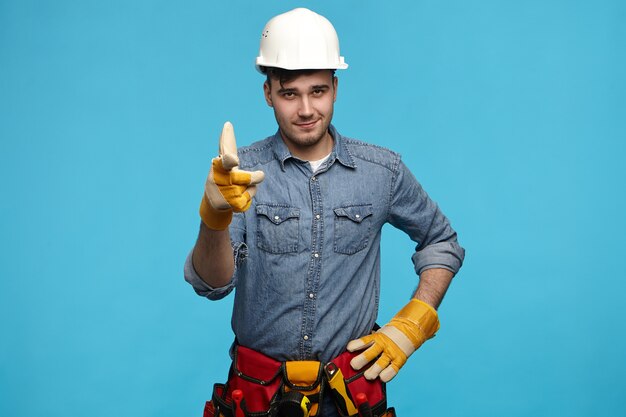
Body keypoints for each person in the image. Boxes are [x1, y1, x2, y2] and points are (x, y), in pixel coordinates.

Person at [184, 8, 465, 417]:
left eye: (317, 91)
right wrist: (214, 215)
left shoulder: (381, 172)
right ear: (268, 93)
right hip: (258, 401)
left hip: (350, 399)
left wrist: (413, 323)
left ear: (335, 87)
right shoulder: (239, 174)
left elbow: (442, 242)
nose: (305, 109)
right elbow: (212, 284)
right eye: (289, 93)